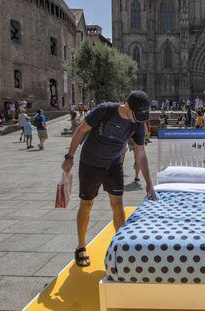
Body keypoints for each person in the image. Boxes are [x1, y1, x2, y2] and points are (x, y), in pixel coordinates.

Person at [62, 90, 157, 267]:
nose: (138, 119)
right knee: (87, 204)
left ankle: (121, 247)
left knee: (118, 205)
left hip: (114, 164)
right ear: (126, 105)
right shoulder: (105, 110)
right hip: (90, 163)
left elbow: (141, 153)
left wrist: (149, 184)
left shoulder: (137, 122)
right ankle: (81, 247)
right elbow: (82, 130)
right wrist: (69, 157)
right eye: (136, 114)